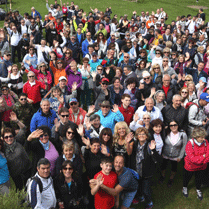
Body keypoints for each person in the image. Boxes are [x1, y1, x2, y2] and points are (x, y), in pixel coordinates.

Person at [130, 127, 161, 209]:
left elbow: (157, 159)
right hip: (137, 171)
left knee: (146, 190)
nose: (141, 135)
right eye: (139, 134)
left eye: (143, 134)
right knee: (138, 187)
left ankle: (149, 202)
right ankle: (140, 197)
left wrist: (153, 150)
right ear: (137, 136)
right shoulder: (135, 144)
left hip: (147, 173)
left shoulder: (149, 145)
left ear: (147, 136)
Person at [2, 116, 32, 190]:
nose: (9, 138)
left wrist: (17, 121)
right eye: (6, 137)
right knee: (20, 189)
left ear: (13, 136)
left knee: (29, 187)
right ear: (3, 138)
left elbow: (23, 128)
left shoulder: (18, 140)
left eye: (10, 136)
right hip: (15, 174)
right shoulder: (2, 148)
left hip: (27, 169)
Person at [182, 127, 209, 200]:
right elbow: (192, 159)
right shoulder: (190, 143)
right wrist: (203, 157)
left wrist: (202, 158)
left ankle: (198, 189)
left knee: (199, 178)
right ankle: (184, 187)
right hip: (190, 167)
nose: (203, 139)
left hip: (202, 167)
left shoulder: (206, 142)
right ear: (196, 137)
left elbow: (208, 155)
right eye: (201, 137)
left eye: (204, 137)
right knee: (187, 178)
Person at [159, 120, 187, 187]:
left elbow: (184, 146)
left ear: (178, 125)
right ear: (169, 126)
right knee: (163, 166)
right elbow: (162, 142)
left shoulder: (183, 134)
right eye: (171, 125)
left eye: (175, 125)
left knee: (174, 168)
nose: (173, 126)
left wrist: (180, 157)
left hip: (175, 156)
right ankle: (162, 176)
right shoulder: (166, 133)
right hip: (165, 154)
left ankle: (171, 179)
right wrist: (162, 153)